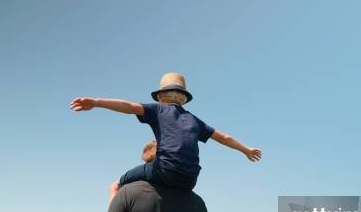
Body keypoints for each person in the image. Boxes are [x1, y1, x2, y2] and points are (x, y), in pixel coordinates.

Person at [70, 72, 262, 195]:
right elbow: (224, 138)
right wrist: (247, 150)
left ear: (161, 97)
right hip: (190, 179)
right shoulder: (195, 120)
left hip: (164, 170)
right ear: (183, 99)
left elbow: (128, 106)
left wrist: (96, 102)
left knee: (116, 184)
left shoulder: (157, 110)